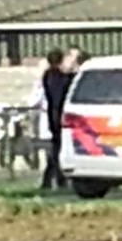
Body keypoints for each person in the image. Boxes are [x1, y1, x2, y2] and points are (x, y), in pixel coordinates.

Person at [39, 48, 72, 189]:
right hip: (58, 115)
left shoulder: (47, 75)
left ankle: (55, 178)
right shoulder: (59, 77)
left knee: (56, 147)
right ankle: (55, 178)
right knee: (58, 148)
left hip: (52, 114)